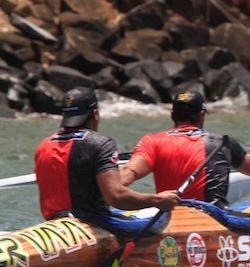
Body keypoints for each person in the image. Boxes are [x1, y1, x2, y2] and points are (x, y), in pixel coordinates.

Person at [121, 89, 250, 206]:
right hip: (210, 223)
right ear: (201, 115)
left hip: (170, 221)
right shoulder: (222, 143)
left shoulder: (152, 141)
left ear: (172, 115)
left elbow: (127, 174)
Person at [34, 87, 179, 222]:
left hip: (53, 225)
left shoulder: (43, 146)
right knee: (160, 220)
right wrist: (157, 200)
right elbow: (116, 197)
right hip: (91, 225)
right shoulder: (100, 144)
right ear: (95, 114)